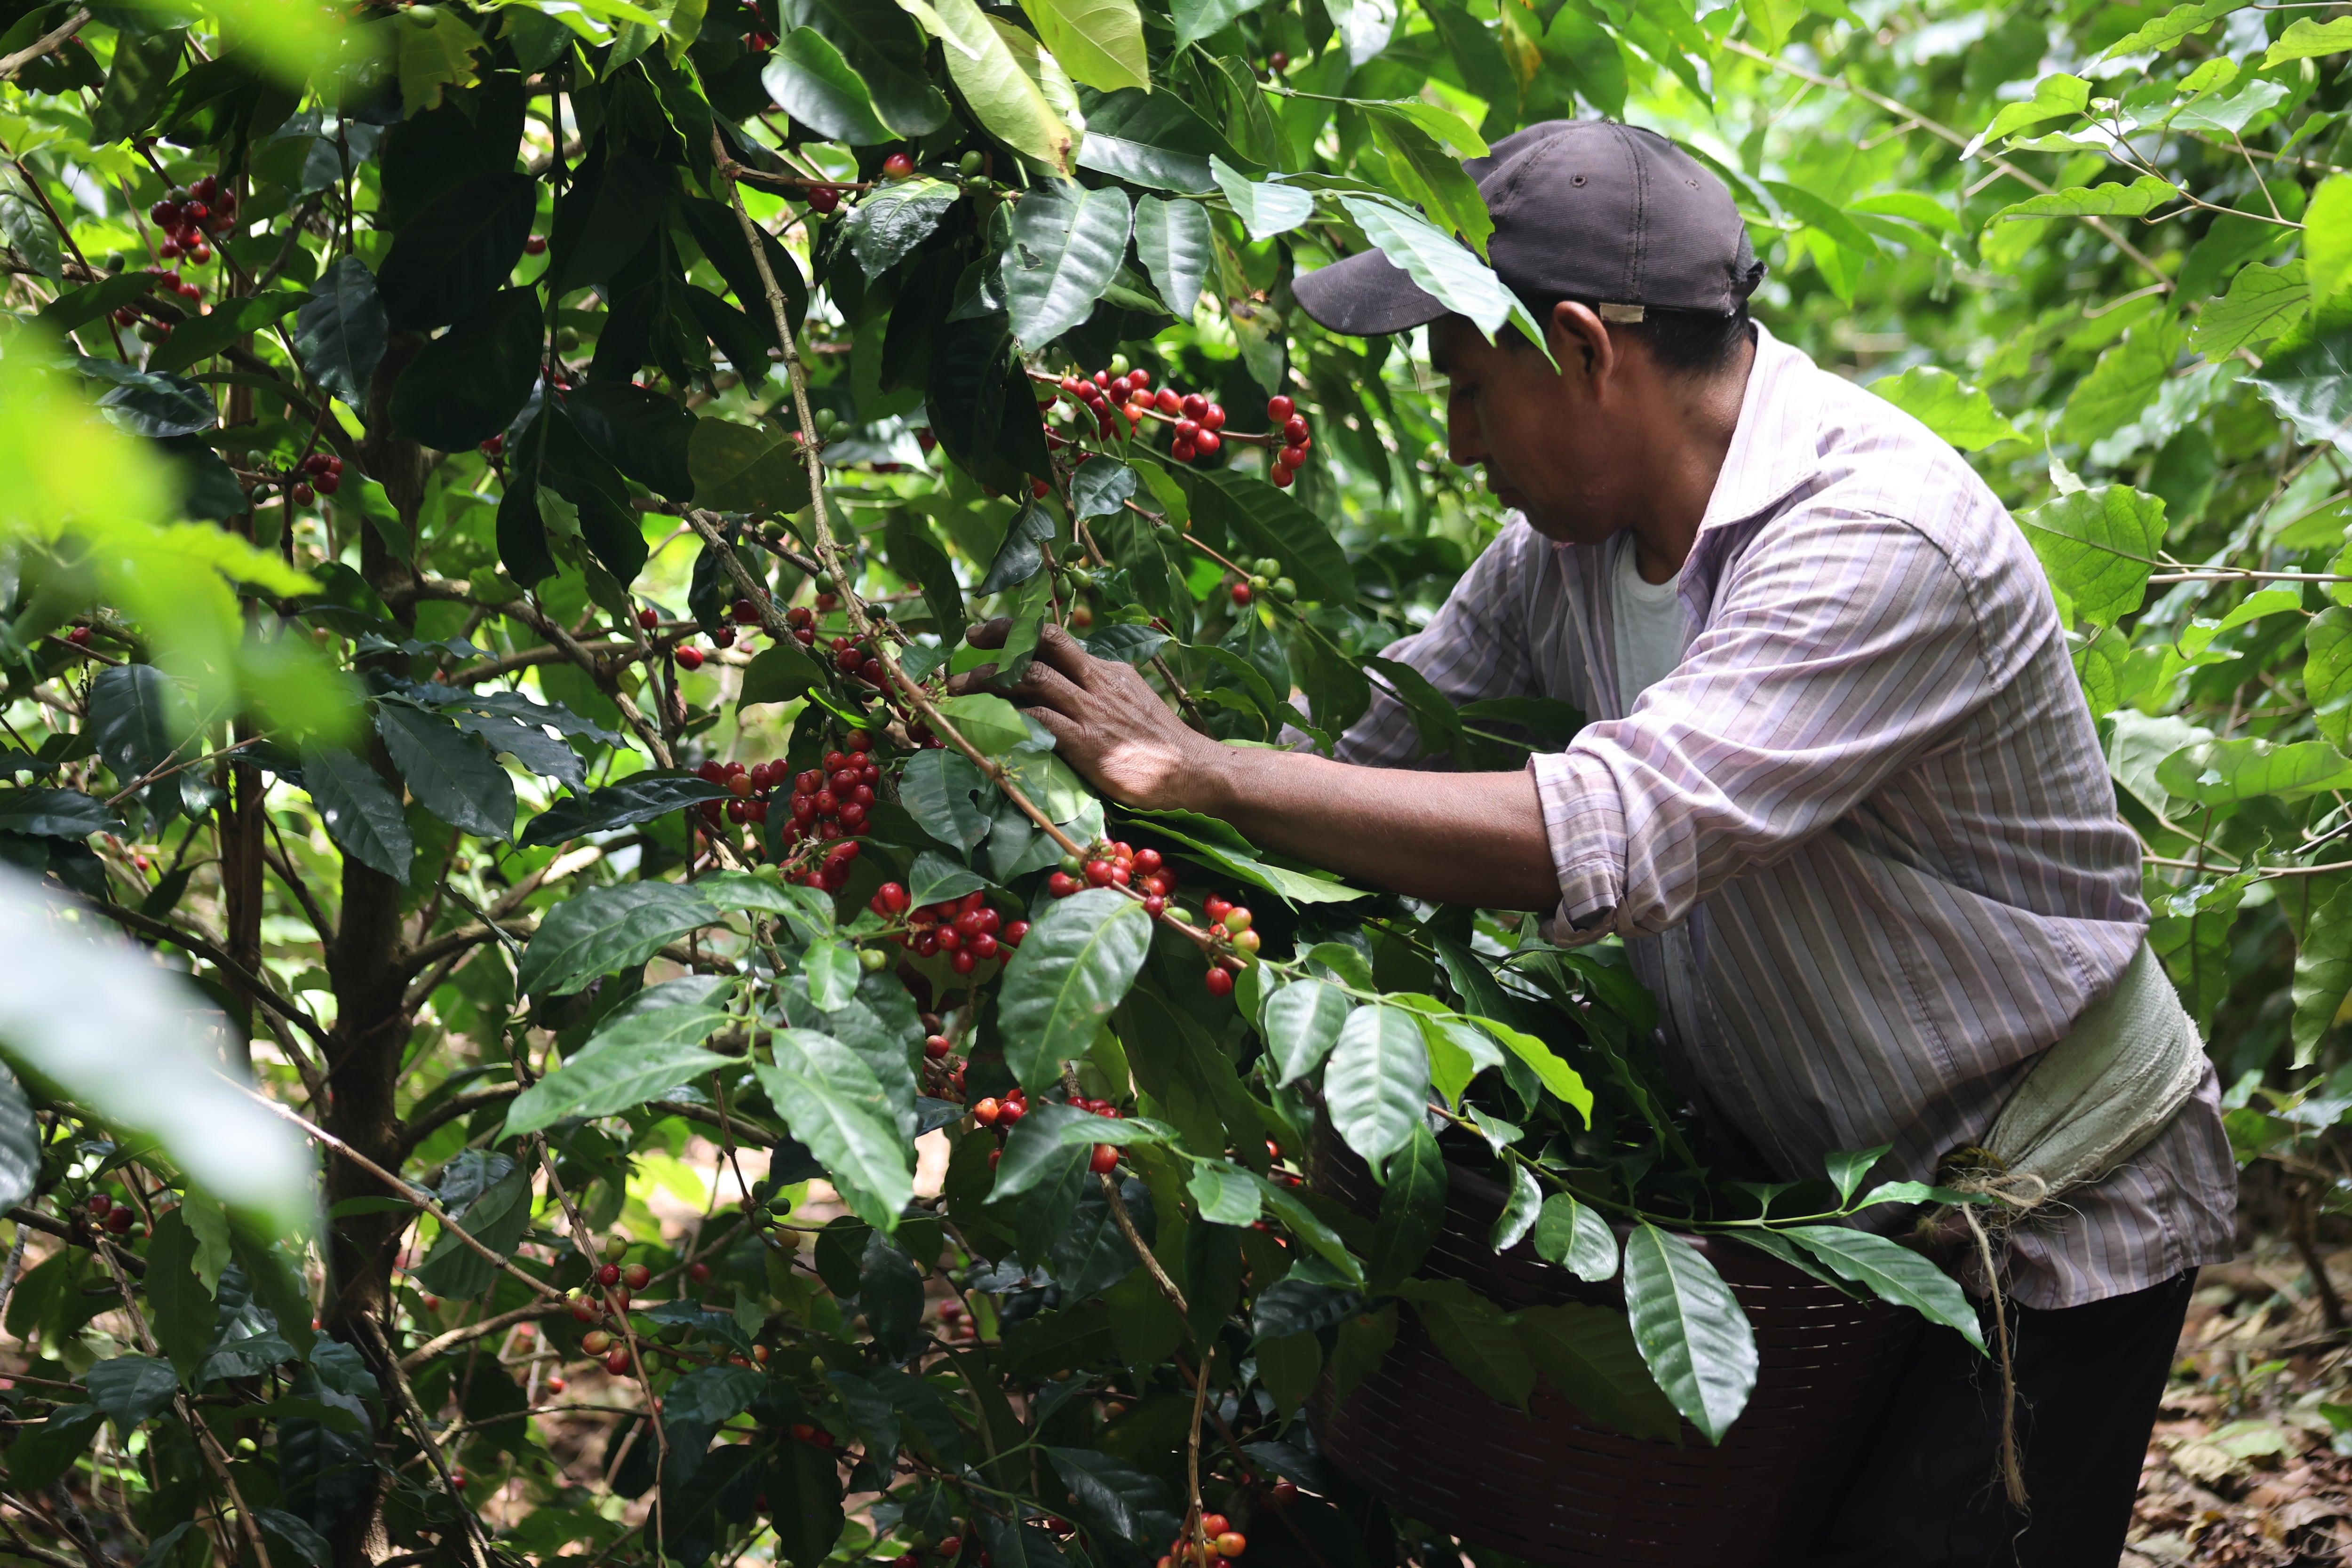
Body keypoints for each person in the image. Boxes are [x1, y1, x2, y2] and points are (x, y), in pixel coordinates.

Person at [981, 119, 2237, 1565]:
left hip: (2056, 1207)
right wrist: (1088, 816)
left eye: (1463, 383)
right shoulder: (1552, 564)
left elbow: (1618, 828)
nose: (1453, 437)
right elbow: (1372, 780)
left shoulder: (1879, 539)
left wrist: (1214, 776)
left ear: (1582, 351)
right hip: (1843, 1218)